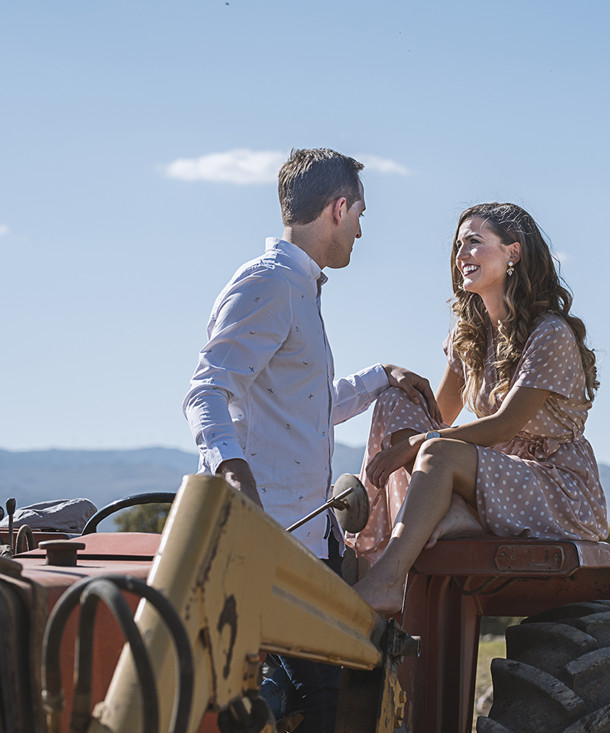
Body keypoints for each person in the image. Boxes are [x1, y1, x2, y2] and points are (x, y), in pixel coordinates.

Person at [183, 148, 437, 733]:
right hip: (268, 543)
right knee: (289, 705)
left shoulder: (301, 290)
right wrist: (231, 471)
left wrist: (381, 377)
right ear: (337, 208)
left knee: (321, 705)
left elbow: (308, 406)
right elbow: (206, 390)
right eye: (360, 215)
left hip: (308, 546)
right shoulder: (268, 285)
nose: (361, 230)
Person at [350, 202, 606, 615]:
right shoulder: (470, 335)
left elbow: (503, 426)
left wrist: (419, 444)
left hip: (555, 485)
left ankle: (387, 579)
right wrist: (393, 382)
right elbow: (440, 416)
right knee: (396, 401)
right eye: (457, 246)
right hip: (493, 472)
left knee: (433, 448)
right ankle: (407, 531)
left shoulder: (549, 334)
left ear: (512, 253)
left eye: (474, 242)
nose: (461, 255)